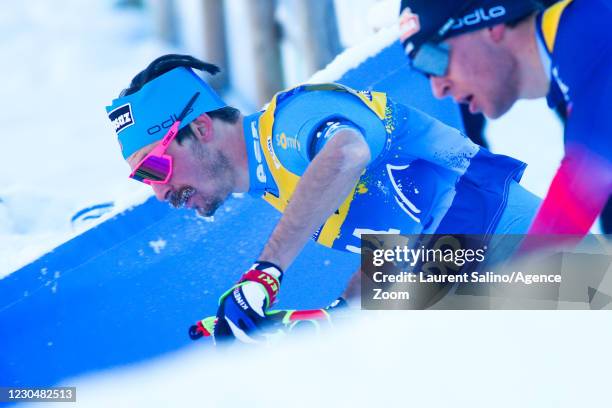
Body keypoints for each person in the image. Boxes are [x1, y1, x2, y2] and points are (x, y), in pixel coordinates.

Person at [106, 54, 540, 342]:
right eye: (143, 181)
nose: (159, 191)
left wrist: (264, 274)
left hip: (535, 259)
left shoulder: (290, 123)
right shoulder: (277, 183)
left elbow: (348, 152)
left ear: (199, 129)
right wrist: (326, 319)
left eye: (154, 167)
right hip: (503, 277)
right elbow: (406, 245)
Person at [398, 0, 612, 249]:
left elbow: (581, 184)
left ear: (491, 23)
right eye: (423, 72)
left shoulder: (593, 34)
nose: (437, 88)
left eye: (432, 59)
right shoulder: (580, 47)